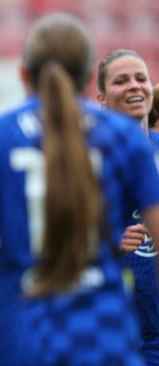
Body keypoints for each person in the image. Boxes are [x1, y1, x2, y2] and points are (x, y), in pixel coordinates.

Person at [0, 13, 159, 365]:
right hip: (103, 334)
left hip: (16, 333)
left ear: (24, 74)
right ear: (89, 79)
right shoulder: (126, 137)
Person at [96, 49, 158, 365]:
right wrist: (108, 243)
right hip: (110, 333)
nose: (134, 86)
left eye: (141, 78)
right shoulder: (88, 162)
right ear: (102, 97)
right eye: (121, 81)